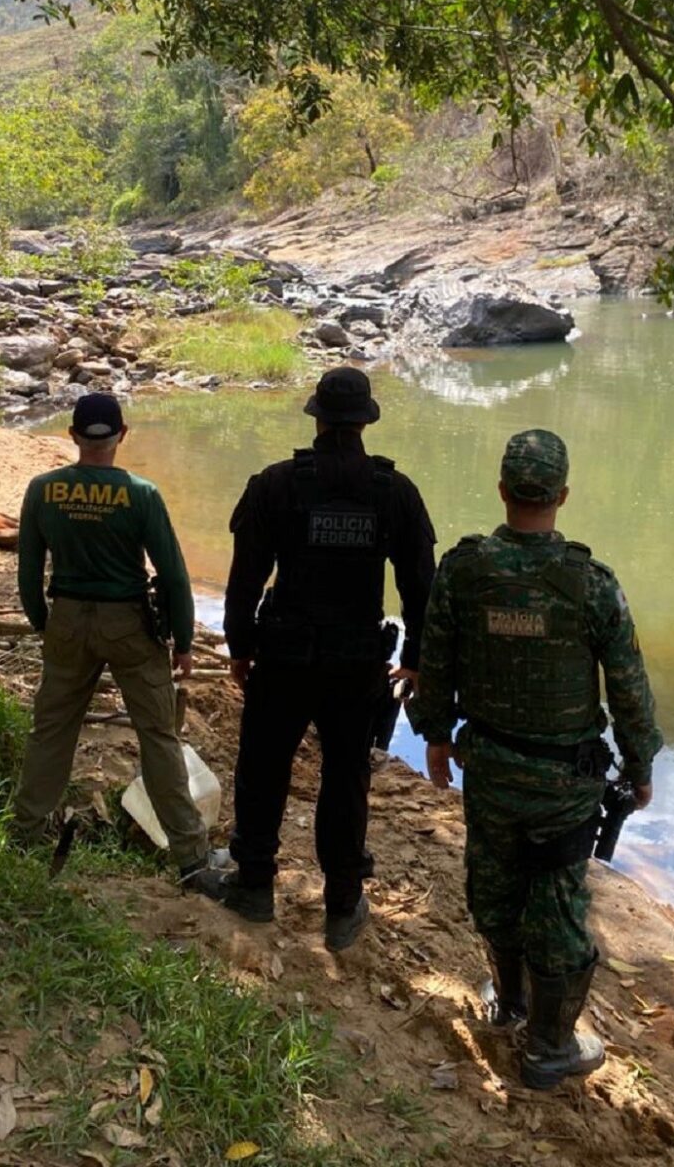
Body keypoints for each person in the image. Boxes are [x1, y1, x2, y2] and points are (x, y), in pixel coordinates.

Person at [409, 429, 662, 1089]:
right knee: (555, 904)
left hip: (489, 766)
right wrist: (640, 768)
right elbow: (630, 687)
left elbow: (432, 663)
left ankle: (509, 1002)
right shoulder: (591, 585)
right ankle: (549, 1047)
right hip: (563, 783)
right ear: (563, 495)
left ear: (502, 491)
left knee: (494, 884)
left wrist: (434, 734)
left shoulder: (464, 570)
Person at [220, 366, 436, 949]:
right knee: (346, 777)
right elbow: (422, 589)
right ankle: (342, 904)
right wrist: (414, 659)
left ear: (316, 417)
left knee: (264, 767)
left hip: (284, 659)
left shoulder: (276, 484)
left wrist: (240, 647)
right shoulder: (394, 493)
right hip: (356, 666)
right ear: (366, 421)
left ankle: (254, 887)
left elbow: (244, 581)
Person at [12, 391, 226, 899]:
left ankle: (23, 833)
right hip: (130, 626)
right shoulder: (141, 494)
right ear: (122, 435)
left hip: (67, 617)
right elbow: (173, 575)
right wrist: (184, 640)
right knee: (157, 736)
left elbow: (27, 574)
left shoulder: (44, 490)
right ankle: (192, 859)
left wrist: (46, 624)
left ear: (73, 436)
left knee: (52, 729)